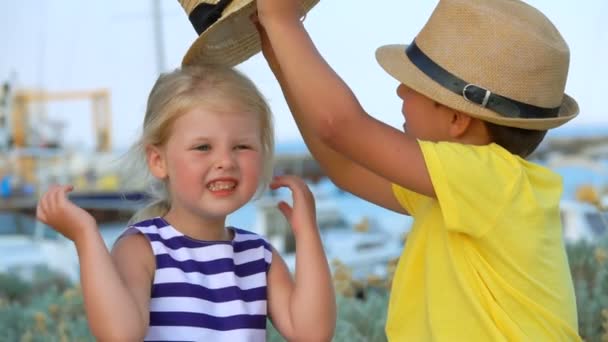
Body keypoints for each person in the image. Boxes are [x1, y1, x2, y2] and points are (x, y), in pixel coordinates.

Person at [253, 0, 582, 340]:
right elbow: (345, 164)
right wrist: (280, 55)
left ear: (457, 119)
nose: (400, 89)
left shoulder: (495, 179)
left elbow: (340, 126)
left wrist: (283, 21)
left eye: (417, 85)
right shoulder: (453, 190)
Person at [36, 64, 336, 341]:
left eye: (242, 146)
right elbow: (121, 335)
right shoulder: (143, 248)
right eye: (203, 147)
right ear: (158, 161)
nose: (225, 161)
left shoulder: (259, 256)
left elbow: (312, 334)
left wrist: (307, 233)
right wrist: (86, 236)